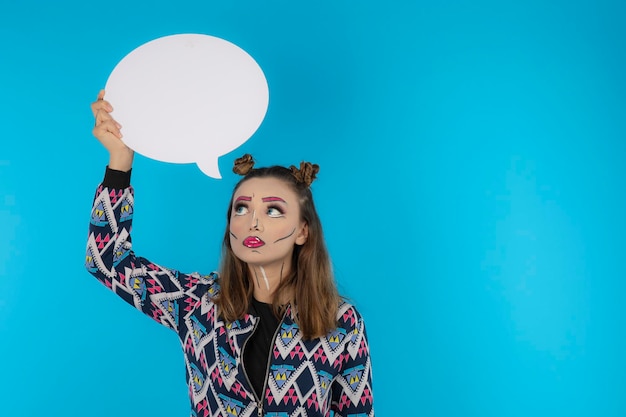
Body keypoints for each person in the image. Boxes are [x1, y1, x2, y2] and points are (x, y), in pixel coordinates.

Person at [86, 90, 374, 417]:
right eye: (241, 208)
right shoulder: (197, 302)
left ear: (303, 231)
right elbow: (106, 260)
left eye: (274, 212)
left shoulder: (340, 320)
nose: (253, 223)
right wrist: (120, 162)